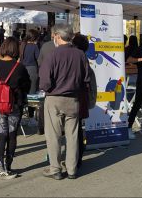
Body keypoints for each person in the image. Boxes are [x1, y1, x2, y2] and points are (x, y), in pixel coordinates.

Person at [39, 24, 90, 180]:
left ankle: (55, 169)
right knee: (73, 135)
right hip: (74, 99)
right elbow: (86, 78)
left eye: (54, 36)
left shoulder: (52, 55)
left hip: (54, 98)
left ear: (58, 36)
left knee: (53, 136)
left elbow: (45, 82)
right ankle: (72, 169)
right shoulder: (81, 54)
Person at [0, 37, 31, 180]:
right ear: (16, 50)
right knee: (12, 135)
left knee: (2, 135)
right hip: (14, 104)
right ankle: (8, 166)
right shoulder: (19, 67)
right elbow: (28, 85)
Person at [72, 33, 97, 168]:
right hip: (82, 99)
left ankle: (75, 158)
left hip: (74, 98)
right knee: (78, 129)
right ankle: (78, 157)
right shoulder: (84, 60)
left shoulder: (76, 59)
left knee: (74, 130)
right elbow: (91, 83)